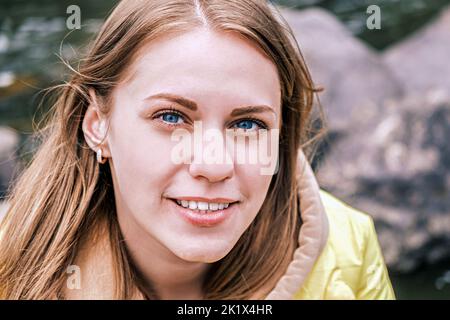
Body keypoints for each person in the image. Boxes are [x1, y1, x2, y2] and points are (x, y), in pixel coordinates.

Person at [0, 0, 395, 299]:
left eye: (247, 124)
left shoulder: (350, 245)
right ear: (97, 125)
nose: (213, 165)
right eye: (171, 118)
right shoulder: (11, 266)